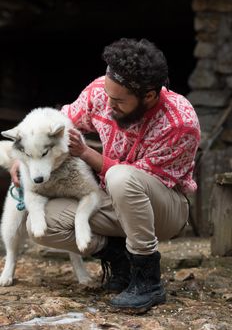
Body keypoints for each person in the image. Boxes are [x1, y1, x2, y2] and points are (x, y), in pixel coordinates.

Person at [11, 38, 200, 313]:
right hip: (112, 201)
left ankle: (147, 278)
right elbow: (57, 123)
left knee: (121, 178)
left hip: (163, 209)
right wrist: (24, 157)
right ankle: (120, 259)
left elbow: (138, 178)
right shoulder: (102, 92)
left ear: (149, 96)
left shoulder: (180, 123)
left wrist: (88, 154)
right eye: (108, 95)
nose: (108, 104)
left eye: (119, 100)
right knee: (42, 224)